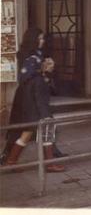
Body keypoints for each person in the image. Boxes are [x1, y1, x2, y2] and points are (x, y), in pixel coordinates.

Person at [1, 28, 67, 165]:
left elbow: (43, 78)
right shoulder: (28, 55)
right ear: (33, 40)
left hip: (38, 95)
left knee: (34, 128)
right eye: (40, 38)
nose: (42, 41)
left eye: (42, 38)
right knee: (38, 126)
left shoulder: (38, 54)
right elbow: (25, 76)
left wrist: (47, 72)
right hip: (31, 97)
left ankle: (13, 160)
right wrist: (43, 69)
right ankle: (48, 162)